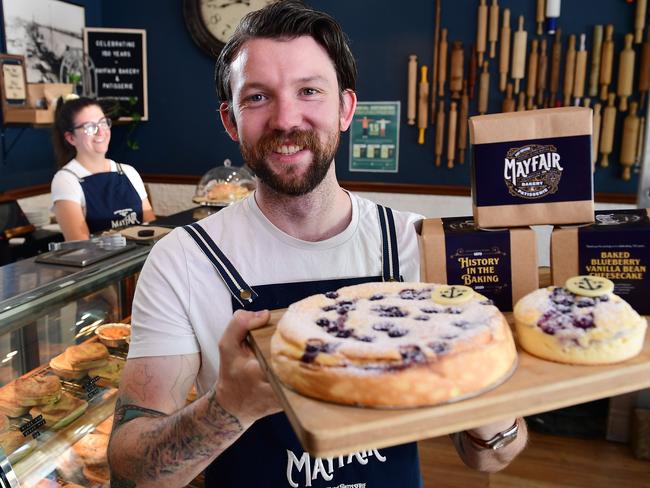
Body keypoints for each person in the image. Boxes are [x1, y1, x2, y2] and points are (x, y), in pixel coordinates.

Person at [107, 2, 527, 487]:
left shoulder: (418, 246)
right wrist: (229, 408)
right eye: (259, 97)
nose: (287, 119)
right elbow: (131, 469)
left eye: (309, 90)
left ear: (345, 108)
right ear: (230, 121)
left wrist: (482, 383)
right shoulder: (183, 260)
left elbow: (492, 458)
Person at [50, 95, 155, 241]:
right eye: (89, 127)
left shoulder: (128, 172)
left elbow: (152, 230)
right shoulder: (66, 180)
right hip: (103, 263)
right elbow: (81, 247)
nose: (100, 132)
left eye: (103, 123)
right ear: (71, 138)